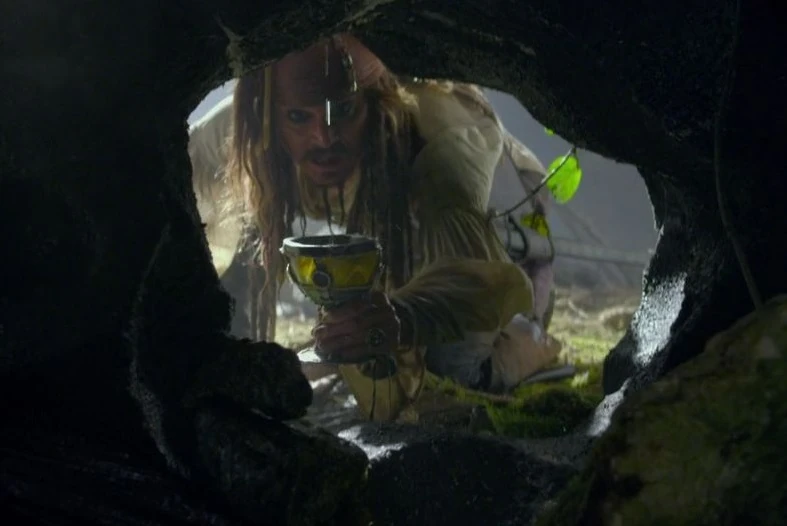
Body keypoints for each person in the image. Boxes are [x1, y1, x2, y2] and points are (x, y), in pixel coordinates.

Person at [188, 33, 561, 422]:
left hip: (511, 249)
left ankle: (532, 337)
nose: (324, 137)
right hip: (415, 250)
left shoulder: (441, 151)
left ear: (377, 103)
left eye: (344, 110)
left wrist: (403, 316)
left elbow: (480, 278)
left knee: (452, 369)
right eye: (299, 117)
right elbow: (167, 177)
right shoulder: (252, 120)